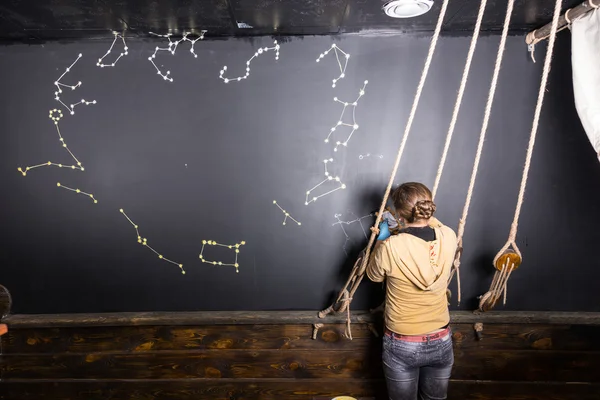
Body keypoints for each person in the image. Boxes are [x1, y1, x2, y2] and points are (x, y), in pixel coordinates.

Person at [366, 182, 457, 400]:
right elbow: (434, 225)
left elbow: (373, 275)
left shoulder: (391, 246)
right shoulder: (449, 236)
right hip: (441, 338)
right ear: (429, 207)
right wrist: (412, 221)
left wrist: (382, 240)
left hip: (403, 342)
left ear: (397, 213)